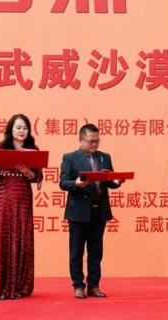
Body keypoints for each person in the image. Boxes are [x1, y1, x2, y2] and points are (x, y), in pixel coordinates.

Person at [59, 124, 126, 299]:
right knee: (76, 251)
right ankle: (78, 285)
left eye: (97, 141)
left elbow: (109, 181)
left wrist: (117, 182)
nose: (94, 144)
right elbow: (63, 182)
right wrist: (76, 183)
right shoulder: (70, 158)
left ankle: (94, 285)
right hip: (79, 212)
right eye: (91, 141)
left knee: (96, 251)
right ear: (81, 140)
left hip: (99, 210)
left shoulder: (105, 157)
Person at [0, 114, 43, 300]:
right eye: (18, 127)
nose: (22, 131)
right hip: (4, 195)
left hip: (23, 196)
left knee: (22, 237)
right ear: (11, 129)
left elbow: (38, 177)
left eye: (25, 128)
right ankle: (0, 287)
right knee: (2, 237)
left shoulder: (33, 149)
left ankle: (19, 287)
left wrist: (29, 173)